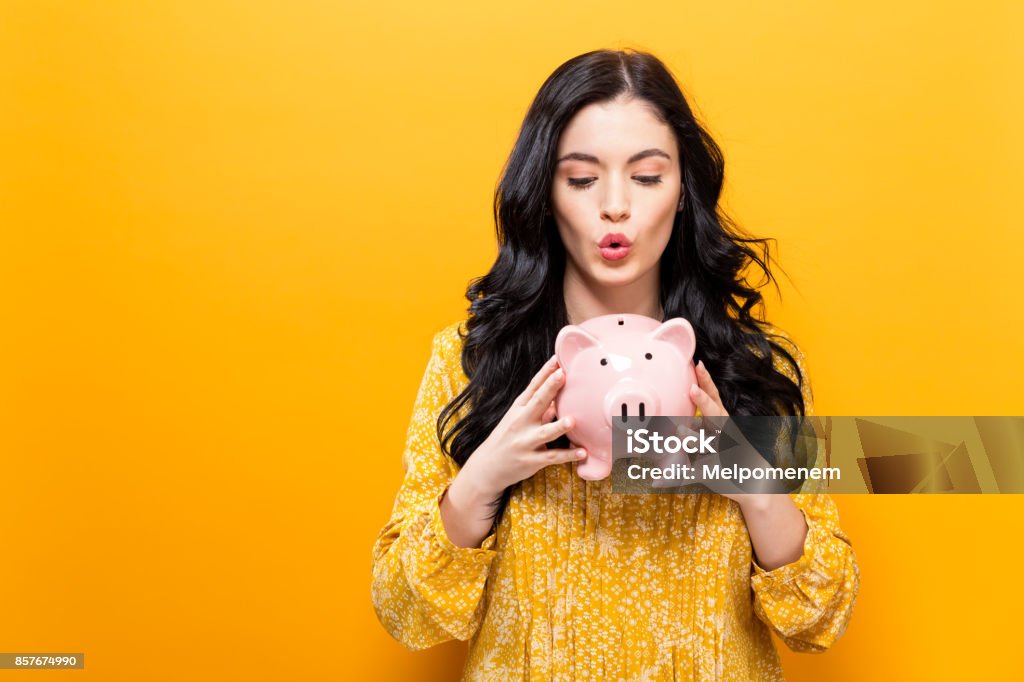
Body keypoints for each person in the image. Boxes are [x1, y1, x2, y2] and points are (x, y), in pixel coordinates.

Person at [371, 48, 859, 680]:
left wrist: (756, 491)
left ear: (684, 192)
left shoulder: (751, 366)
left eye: (648, 177)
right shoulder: (475, 360)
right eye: (580, 179)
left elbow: (821, 620)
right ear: (545, 194)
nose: (615, 206)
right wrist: (481, 480)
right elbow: (407, 613)